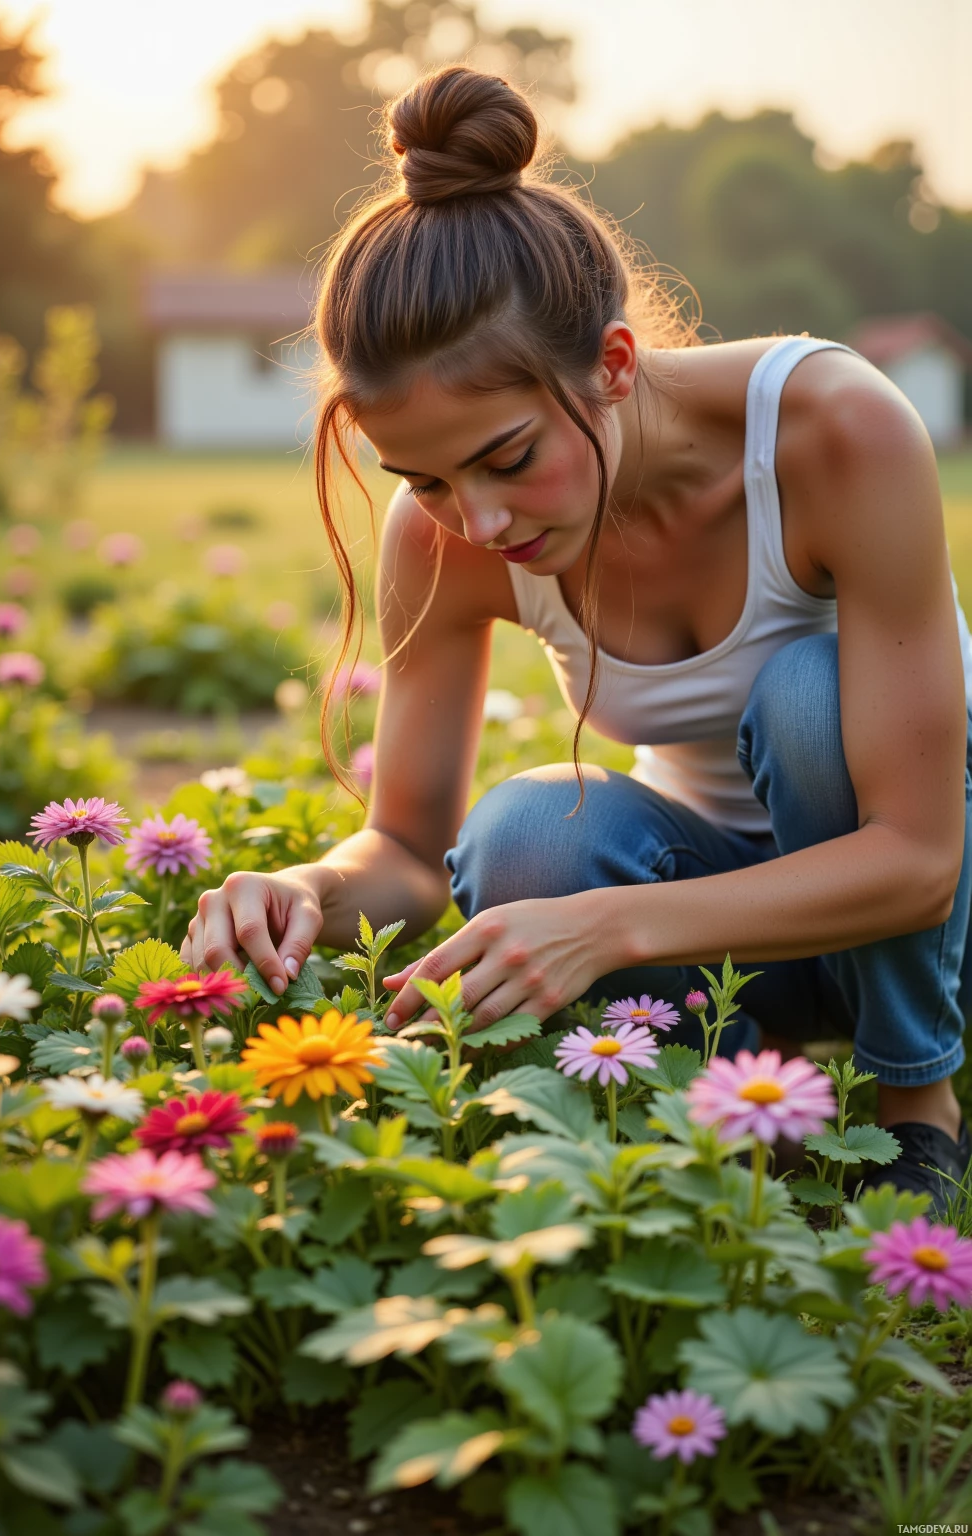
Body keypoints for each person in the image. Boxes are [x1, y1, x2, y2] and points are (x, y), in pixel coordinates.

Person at [183, 65, 972, 1211]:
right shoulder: (444, 536)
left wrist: (601, 927)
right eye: (426, 478)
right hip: (728, 926)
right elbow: (408, 846)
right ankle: (737, 1104)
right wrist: (302, 887)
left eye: (506, 458)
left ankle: (915, 1111)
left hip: (928, 912)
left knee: (805, 693)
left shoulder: (831, 428)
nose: (480, 521)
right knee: (523, 839)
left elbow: (917, 857)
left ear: (609, 365)